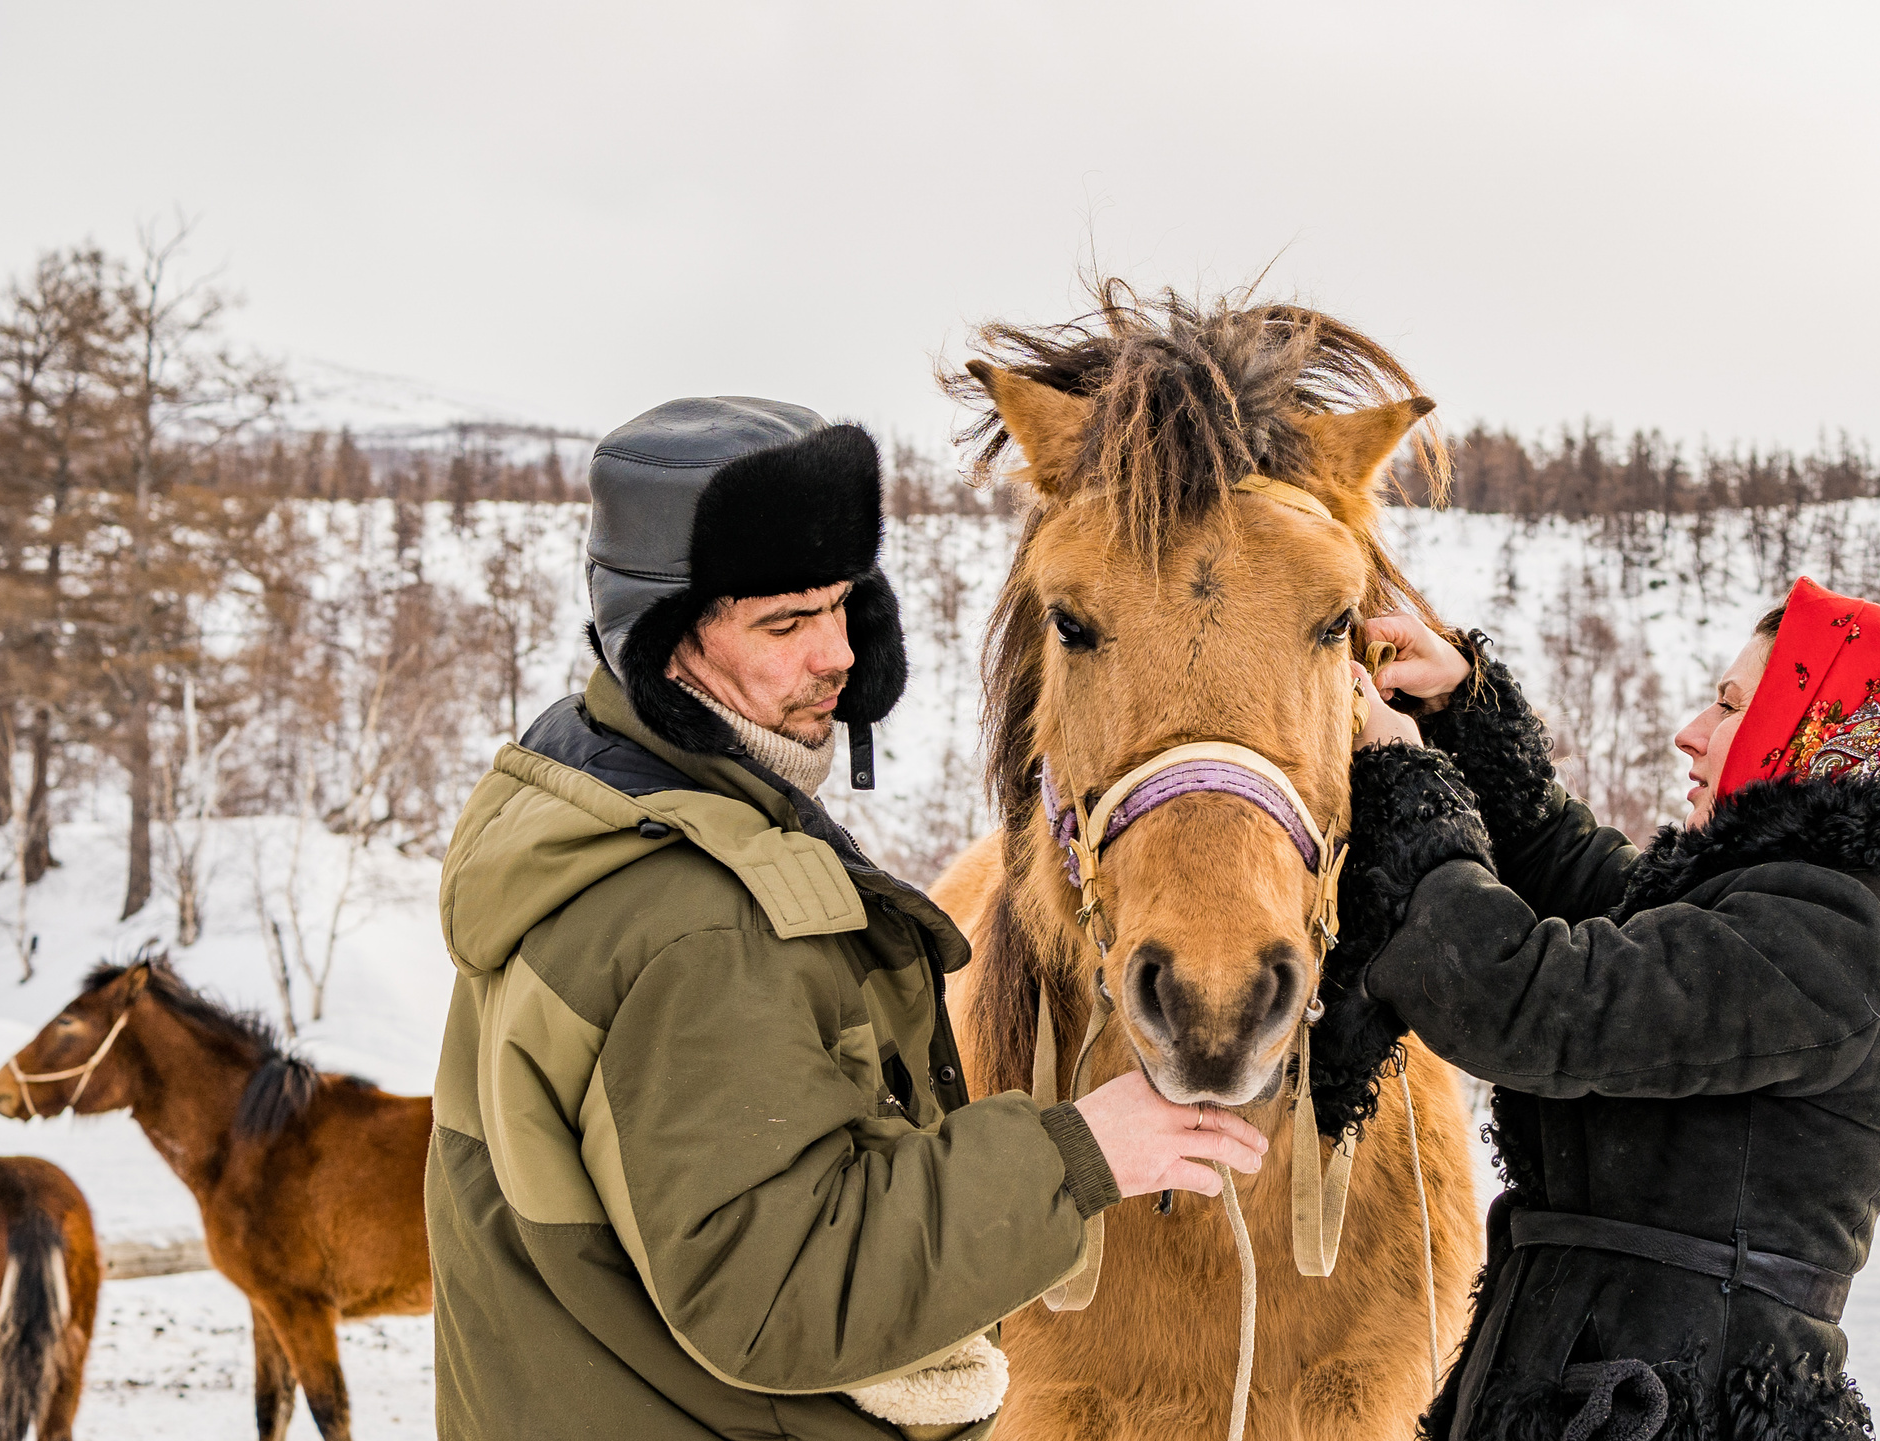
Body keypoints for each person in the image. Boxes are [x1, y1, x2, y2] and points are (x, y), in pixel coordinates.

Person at [425, 397, 1265, 1441]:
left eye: (842, 607)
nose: (835, 656)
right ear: (667, 642)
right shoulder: (699, 924)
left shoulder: (587, 800)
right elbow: (780, 1289)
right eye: (784, 623)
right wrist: (1079, 1153)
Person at [1329, 576, 1880, 1441]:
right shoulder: (1782, 914)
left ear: (1812, 736)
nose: (1691, 733)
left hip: (1674, 1410)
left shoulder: (1835, 944)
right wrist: (1463, 703)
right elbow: (1584, 885)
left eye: (1727, 706)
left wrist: (1410, 790)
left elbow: (1540, 1002)